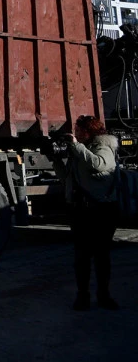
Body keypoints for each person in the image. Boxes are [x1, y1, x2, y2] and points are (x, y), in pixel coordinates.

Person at [54, 115, 120, 310]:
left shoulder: (103, 146)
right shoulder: (78, 151)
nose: (76, 134)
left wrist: (77, 147)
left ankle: (104, 295)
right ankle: (83, 296)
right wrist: (56, 159)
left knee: (101, 255)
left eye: (79, 130)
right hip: (80, 210)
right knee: (81, 257)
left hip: (102, 210)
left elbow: (99, 164)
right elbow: (66, 179)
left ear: (89, 131)